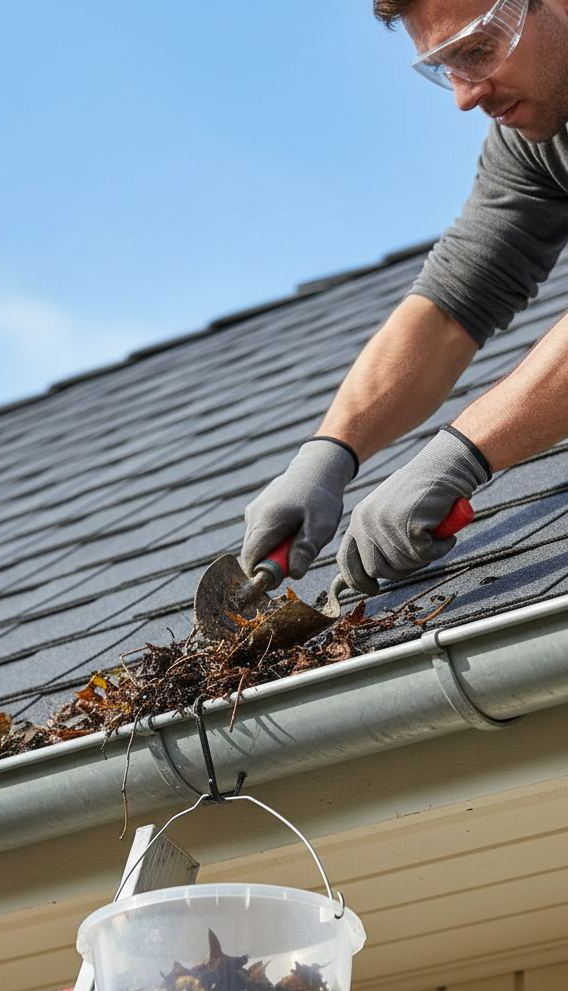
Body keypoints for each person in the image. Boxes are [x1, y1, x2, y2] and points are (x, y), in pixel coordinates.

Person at [241, 0, 568, 596]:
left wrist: (462, 456)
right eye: (447, 67)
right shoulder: (537, 137)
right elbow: (449, 308)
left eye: (477, 49)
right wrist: (329, 453)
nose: (466, 96)